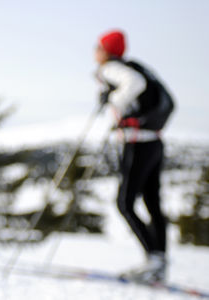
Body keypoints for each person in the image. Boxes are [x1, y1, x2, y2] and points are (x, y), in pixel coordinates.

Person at [94, 30, 172, 283]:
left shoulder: (111, 68)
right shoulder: (135, 66)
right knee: (152, 204)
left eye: (98, 46)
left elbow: (134, 85)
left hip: (137, 143)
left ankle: (154, 260)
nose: (95, 51)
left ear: (107, 50)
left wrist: (113, 98)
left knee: (125, 202)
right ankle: (158, 263)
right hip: (154, 141)